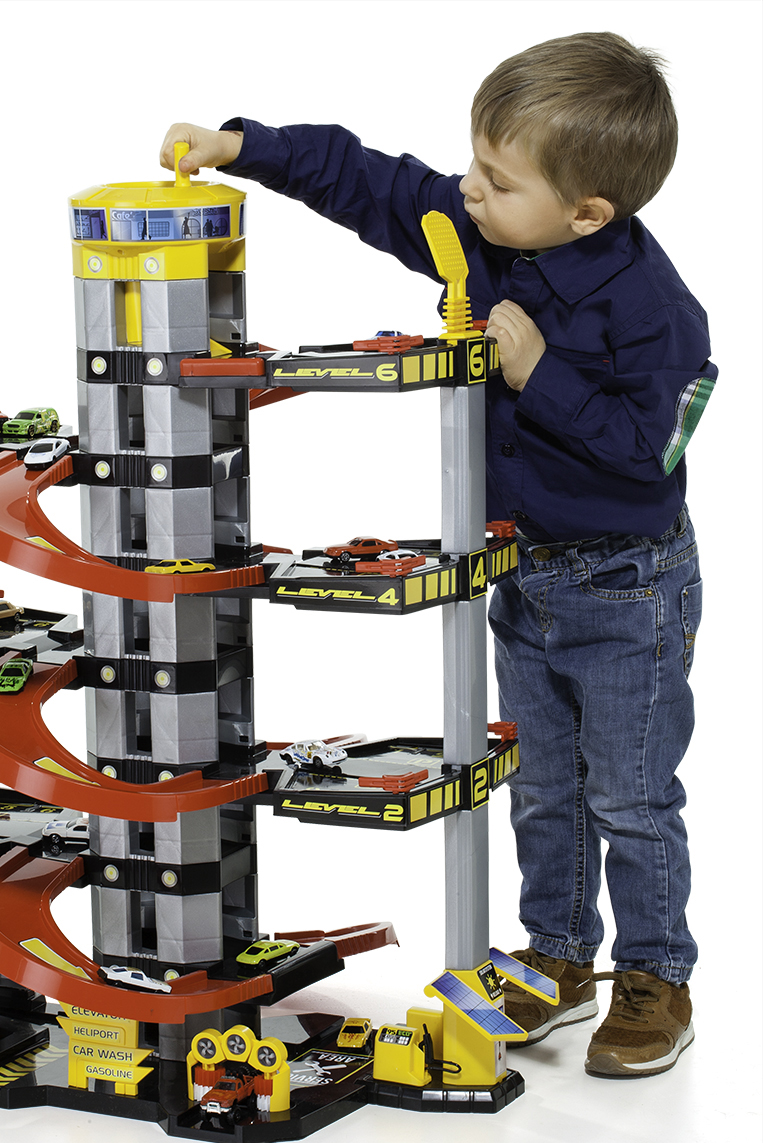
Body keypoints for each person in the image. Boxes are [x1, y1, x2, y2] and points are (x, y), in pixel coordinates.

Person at [159, 31, 715, 1080]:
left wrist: (540, 374)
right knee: (541, 784)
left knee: (630, 797)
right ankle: (557, 957)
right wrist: (243, 146)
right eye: (475, 163)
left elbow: (651, 451)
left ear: (586, 212)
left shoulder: (656, 311)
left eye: (497, 180)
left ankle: (655, 977)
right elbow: (373, 182)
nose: (469, 189)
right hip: (522, 574)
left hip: (624, 586)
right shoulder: (488, 236)